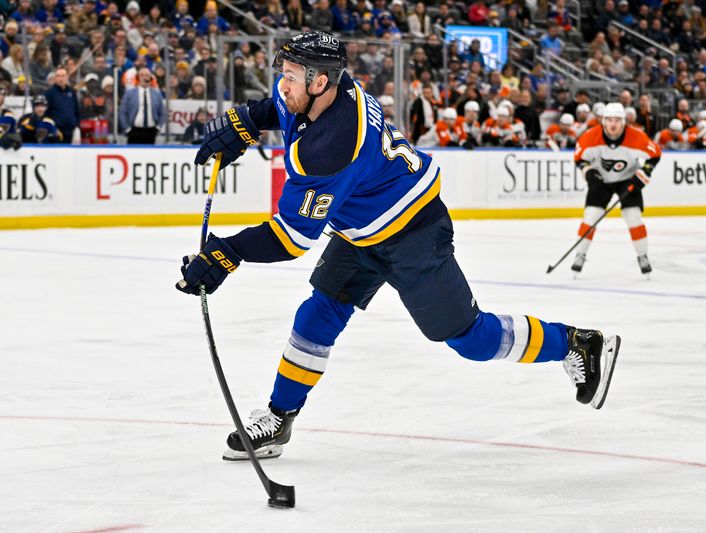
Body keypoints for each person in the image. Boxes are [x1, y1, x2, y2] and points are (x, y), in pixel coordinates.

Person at [177, 30, 622, 461]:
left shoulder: (329, 147)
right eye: (284, 72)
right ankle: (280, 416)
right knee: (319, 311)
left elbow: (293, 238)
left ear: (318, 82)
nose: (282, 83)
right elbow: (280, 106)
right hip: (363, 230)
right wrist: (251, 120)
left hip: (414, 232)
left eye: (292, 75)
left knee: (469, 338)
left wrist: (226, 252)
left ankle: (577, 343)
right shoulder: (331, 86)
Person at [572, 102, 661, 275]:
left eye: (617, 120)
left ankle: (642, 256)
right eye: (609, 120)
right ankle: (580, 254)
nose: (613, 124)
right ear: (603, 121)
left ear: (623, 122)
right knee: (591, 217)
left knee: (633, 217)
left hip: (627, 179)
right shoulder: (590, 137)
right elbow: (579, 159)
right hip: (601, 180)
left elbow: (655, 155)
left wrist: (644, 174)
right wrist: (588, 172)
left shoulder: (637, 137)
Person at [119, 67, 165, 144]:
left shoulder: (157, 93)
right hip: (134, 131)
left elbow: (163, 112)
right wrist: (127, 129)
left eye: (147, 75)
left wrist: (158, 127)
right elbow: (122, 112)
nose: (145, 77)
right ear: (138, 78)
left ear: (150, 78)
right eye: (142, 75)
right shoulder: (129, 93)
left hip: (151, 131)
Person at [44, 67, 80, 143]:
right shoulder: (49, 93)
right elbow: (46, 112)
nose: (60, 79)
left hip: (71, 130)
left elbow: (77, 110)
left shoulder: (72, 92)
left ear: (67, 77)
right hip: (56, 131)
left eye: (63, 76)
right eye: (58, 76)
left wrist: (77, 125)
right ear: (55, 78)